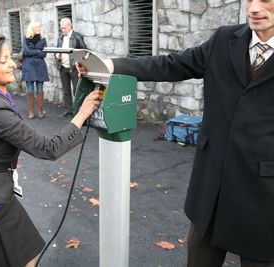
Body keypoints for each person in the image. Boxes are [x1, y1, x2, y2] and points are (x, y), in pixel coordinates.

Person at [78, 1, 274, 266]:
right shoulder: (224, 39)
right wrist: (112, 66)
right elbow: (172, 64)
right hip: (211, 190)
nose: (254, 8)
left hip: (261, 196)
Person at [0, 34, 101, 267]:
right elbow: (48, 149)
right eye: (4, 60)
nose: (12, 64)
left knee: (27, 252)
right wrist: (83, 112)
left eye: (11, 57)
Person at [55, 17, 87, 118]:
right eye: (61, 28)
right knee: (66, 90)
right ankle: (68, 110)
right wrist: (57, 55)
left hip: (74, 67)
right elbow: (57, 50)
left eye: (64, 28)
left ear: (70, 26)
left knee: (77, 90)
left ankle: (79, 112)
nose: (62, 30)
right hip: (63, 67)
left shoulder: (77, 37)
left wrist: (79, 63)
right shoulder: (60, 38)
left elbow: (84, 51)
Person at [22, 21, 49, 119]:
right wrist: (38, 51)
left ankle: (40, 112)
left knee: (40, 89)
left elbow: (44, 54)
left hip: (40, 66)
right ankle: (31, 112)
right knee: (29, 89)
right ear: (32, 28)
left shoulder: (43, 39)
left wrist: (32, 52)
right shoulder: (26, 38)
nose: (39, 28)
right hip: (29, 66)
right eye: (37, 27)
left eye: (39, 26)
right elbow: (25, 51)